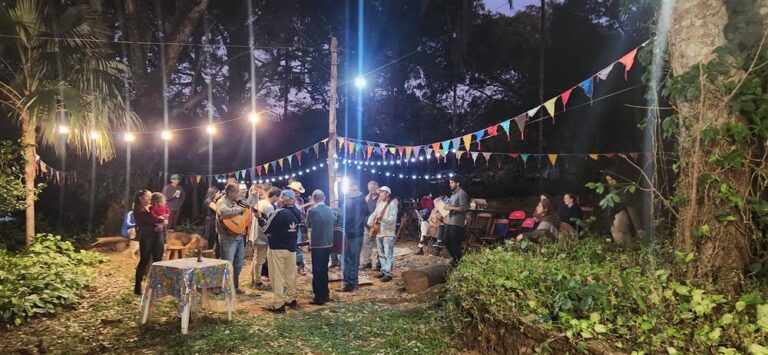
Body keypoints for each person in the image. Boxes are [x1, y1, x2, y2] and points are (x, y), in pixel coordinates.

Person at [260, 190, 302, 314]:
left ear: (283, 200)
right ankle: (292, 298)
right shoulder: (298, 212)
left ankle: (279, 304)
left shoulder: (278, 212)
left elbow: (265, 229)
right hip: (292, 247)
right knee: (291, 274)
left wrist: (259, 218)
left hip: (277, 248)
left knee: (276, 276)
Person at [216, 184, 250, 294]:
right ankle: (225, 288)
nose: (239, 194)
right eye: (237, 192)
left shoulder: (238, 201)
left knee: (239, 264)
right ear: (230, 193)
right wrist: (240, 210)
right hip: (227, 237)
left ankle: (235, 286)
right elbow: (224, 213)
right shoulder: (222, 201)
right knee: (228, 263)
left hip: (239, 235)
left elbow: (246, 211)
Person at [133, 190, 168, 295]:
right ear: (140, 198)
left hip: (158, 235)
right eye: (148, 197)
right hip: (146, 236)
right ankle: (137, 286)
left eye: (151, 196)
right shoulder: (138, 209)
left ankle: (157, 286)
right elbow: (153, 219)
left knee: (158, 260)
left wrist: (162, 224)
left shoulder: (153, 207)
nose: (150, 198)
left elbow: (165, 217)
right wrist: (162, 221)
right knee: (144, 260)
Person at [306, 190, 335, 305]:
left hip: (317, 244)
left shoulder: (311, 211)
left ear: (314, 199)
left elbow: (307, 225)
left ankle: (319, 297)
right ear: (324, 198)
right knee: (324, 270)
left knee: (317, 271)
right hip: (328, 243)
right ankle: (325, 294)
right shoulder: (330, 210)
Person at [338, 180, 368, 292]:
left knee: (346, 259)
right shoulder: (363, 200)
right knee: (355, 259)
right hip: (359, 233)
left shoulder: (348, 202)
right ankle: (354, 283)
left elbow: (344, 219)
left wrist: (340, 229)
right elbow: (367, 213)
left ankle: (348, 283)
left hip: (348, 234)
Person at [250, 187, 280, 289]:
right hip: (262, 237)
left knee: (256, 258)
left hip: (255, 234)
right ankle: (257, 282)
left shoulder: (261, 202)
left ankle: (253, 279)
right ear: (275, 196)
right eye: (278, 197)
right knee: (260, 259)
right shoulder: (269, 207)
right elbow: (268, 224)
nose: (278, 200)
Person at [367, 186, 398, 282]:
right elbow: (374, 214)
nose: (380, 194)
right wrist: (370, 222)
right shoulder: (380, 204)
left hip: (388, 233)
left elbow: (392, 220)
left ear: (387, 194)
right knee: (381, 253)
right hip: (379, 232)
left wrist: (382, 219)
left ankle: (388, 273)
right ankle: (384, 270)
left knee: (388, 253)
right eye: (380, 192)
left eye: (382, 192)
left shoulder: (392, 204)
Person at [443, 176, 469, 267]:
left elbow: (464, 208)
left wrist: (451, 207)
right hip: (449, 221)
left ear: (458, 183)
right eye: (450, 183)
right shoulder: (453, 194)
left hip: (457, 222)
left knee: (455, 243)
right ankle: (456, 258)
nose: (450, 185)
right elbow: (450, 206)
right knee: (445, 241)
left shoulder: (462, 193)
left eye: (452, 183)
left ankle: (457, 261)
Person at [285, 181, 308, 275]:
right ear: (292, 190)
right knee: (287, 246)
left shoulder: (301, 200)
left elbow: (302, 213)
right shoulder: (285, 199)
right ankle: (289, 266)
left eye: (299, 192)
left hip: (296, 225)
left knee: (297, 245)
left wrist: (300, 212)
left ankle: (300, 266)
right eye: (296, 191)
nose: (298, 194)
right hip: (286, 225)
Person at [361, 180, 380, 270]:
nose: (371, 191)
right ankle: (367, 262)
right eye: (370, 189)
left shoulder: (381, 198)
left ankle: (379, 263)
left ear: (377, 188)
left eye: (373, 189)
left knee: (378, 245)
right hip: (367, 225)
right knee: (366, 244)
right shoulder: (367, 197)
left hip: (377, 225)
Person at [202, 187, 222, 258]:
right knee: (210, 240)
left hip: (215, 221)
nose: (219, 194)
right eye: (218, 193)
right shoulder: (209, 201)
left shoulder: (214, 201)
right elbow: (218, 210)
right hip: (210, 222)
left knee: (218, 240)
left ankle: (218, 256)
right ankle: (207, 256)